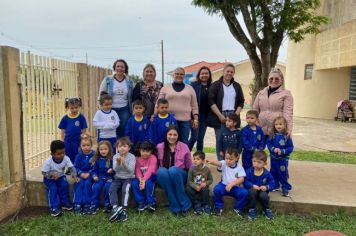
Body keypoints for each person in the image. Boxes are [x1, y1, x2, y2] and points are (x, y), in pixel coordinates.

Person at [206, 63, 244, 160]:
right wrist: (220, 115)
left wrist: (235, 116)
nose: (229, 73)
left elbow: (241, 101)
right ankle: (222, 163)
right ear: (223, 72)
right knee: (221, 140)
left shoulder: (237, 86)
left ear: (234, 73)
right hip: (220, 115)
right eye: (227, 71)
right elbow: (210, 101)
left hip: (233, 114)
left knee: (233, 140)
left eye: (232, 72)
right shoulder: (215, 85)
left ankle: (233, 163)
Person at [157, 67, 199, 145]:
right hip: (169, 120)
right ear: (173, 75)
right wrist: (155, 115)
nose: (179, 75)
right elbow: (158, 103)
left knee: (184, 142)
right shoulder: (165, 88)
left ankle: (184, 157)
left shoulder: (190, 88)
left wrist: (196, 119)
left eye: (181, 74)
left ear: (184, 76)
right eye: (177, 74)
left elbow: (194, 105)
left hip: (185, 121)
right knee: (170, 142)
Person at [156, 125, 192, 215]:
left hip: (179, 175)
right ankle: (175, 206)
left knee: (173, 170)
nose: (172, 137)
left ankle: (185, 204)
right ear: (166, 135)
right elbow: (155, 164)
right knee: (161, 171)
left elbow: (189, 166)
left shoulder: (184, 147)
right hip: (165, 177)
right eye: (170, 134)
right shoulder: (159, 147)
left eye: (175, 135)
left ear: (178, 135)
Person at [253, 67, 293, 138]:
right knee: (258, 148)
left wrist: (288, 128)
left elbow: (288, 113)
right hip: (261, 128)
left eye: (277, 79)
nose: (273, 81)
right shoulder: (261, 93)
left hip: (277, 129)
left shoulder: (286, 94)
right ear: (268, 79)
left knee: (276, 149)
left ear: (282, 80)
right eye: (271, 78)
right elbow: (255, 110)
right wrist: (254, 123)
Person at [207, 147, 248, 217]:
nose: (228, 161)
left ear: (237, 159)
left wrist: (232, 184)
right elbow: (218, 163)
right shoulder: (224, 163)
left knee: (244, 192)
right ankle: (218, 207)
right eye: (226, 158)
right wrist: (211, 162)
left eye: (231, 159)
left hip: (235, 188)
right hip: (224, 186)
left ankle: (238, 208)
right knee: (217, 189)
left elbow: (241, 179)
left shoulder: (239, 167)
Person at [98, 59, 133, 138]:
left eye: (122, 67)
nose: (120, 68)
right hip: (110, 108)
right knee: (111, 129)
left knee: (123, 129)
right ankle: (112, 148)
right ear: (114, 68)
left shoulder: (129, 81)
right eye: (118, 66)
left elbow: (132, 96)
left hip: (125, 109)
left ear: (125, 69)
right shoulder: (107, 80)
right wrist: (100, 107)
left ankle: (122, 149)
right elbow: (101, 94)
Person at [41, 140, 76, 217]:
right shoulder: (48, 162)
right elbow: (44, 172)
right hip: (49, 179)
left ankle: (65, 203)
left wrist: (75, 176)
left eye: (63, 152)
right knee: (53, 188)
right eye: (59, 154)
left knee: (64, 185)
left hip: (60, 177)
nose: (62, 155)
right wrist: (51, 175)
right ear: (52, 154)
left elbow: (71, 168)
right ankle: (54, 208)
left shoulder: (66, 158)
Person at [109, 137, 136, 222]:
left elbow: (131, 170)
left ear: (129, 148)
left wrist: (124, 163)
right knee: (112, 189)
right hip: (117, 178)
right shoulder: (115, 156)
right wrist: (118, 162)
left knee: (126, 189)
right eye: (120, 146)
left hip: (128, 178)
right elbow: (115, 169)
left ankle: (124, 209)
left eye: (124, 146)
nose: (122, 148)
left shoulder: (132, 157)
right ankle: (115, 207)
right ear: (117, 148)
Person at [267, 116, 294, 197]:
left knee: (282, 173)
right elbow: (269, 144)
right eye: (276, 124)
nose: (278, 126)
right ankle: (275, 185)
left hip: (283, 159)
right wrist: (273, 149)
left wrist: (282, 151)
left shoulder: (286, 136)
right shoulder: (272, 135)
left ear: (285, 125)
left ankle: (285, 187)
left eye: (281, 124)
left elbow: (290, 147)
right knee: (273, 172)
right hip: (273, 158)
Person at [244, 150, 275, 220]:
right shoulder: (249, 171)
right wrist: (251, 185)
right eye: (254, 161)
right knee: (252, 192)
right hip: (252, 190)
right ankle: (251, 209)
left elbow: (272, 183)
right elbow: (245, 181)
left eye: (259, 162)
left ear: (265, 163)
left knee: (263, 196)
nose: (256, 164)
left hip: (262, 191)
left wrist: (266, 187)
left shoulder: (266, 173)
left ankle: (266, 209)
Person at [188, 66, 212, 151]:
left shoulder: (211, 86)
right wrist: (192, 116)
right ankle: (185, 155)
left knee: (200, 139)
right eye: (202, 73)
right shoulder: (193, 85)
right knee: (194, 137)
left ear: (209, 75)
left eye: (206, 73)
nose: (204, 75)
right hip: (195, 116)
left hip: (205, 116)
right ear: (199, 75)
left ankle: (199, 159)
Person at [58, 97, 88, 162]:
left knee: (77, 155)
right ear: (68, 107)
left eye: (76, 108)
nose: (74, 110)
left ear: (79, 106)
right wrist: (62, 139)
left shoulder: (81, 117)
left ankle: (76, 168)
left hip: (77, 141)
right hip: (67, 141)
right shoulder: (65, 118)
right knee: (68, 156)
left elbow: (84, 128)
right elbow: (62, 129)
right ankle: (69, 168)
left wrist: (83, 138)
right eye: (72, 108)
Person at [132, 141, 158, 212]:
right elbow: (137, 170)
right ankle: (141, 202)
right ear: (139, 150)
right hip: (140, 177)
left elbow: (150, 170)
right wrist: (141, 180)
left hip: (151, 176)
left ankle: (151, 202)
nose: (145, 153)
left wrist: (144, 180)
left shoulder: (153, 158)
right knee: (134, 183)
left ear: (151, 151)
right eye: (143, 151)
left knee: (149, 183)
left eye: (147, 151)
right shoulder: (137, 159)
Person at [88, 140, 113, 214]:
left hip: (109, 178)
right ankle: (94, 205)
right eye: (101, 149)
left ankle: (107, 205)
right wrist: (94, 176)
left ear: (109, 149)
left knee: (108, 187)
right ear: (98, 150)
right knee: (96, 187)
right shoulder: (97, 159)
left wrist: (112, 169)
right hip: (100, 178)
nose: (103, 151)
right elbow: (93, 170)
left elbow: (116, 168)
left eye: (105, 149)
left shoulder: (112, 159)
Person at [185, 151, 213, 215]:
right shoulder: (191, 169)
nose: (195, 161)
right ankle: (197, 205)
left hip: (203, 187)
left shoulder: (207, 169)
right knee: (187, 188)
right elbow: (189, 181)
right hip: (194, 187)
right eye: (194, 159)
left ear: (203, 161)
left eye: (198, 159)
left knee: (205, 188)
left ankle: (206, 205)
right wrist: (195, 186)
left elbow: (210, 180)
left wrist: (205, 183)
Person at [73, 135, 95, 215]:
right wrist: (80, 173)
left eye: (88, 145)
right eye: (83, 145)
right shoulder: (78, 156)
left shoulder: (94, 155)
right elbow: (75, 167)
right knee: (79, 184)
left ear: (91, 145)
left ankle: (86, 204)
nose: (86, 147)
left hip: (89, 175)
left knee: (87, 184)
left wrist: (89, 173)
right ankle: (78, 204)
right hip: (80, 175)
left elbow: (95, 167)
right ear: (80, 146)